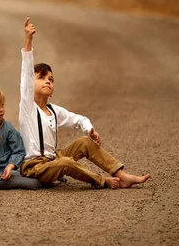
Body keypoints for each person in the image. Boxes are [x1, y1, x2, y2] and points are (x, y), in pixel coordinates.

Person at [19, 17, 150, 189]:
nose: (48, 81)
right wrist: (28, 41)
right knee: (65, 162)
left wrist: (89, 130)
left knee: (84, 142)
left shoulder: (53, 110)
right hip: (36, 166)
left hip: (54, 158)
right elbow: (26, 74)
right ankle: (101, 181)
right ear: (31, 82)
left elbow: (78, 119)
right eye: (41, 77)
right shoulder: (28, 107)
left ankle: (122, 175)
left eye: (51, 79)